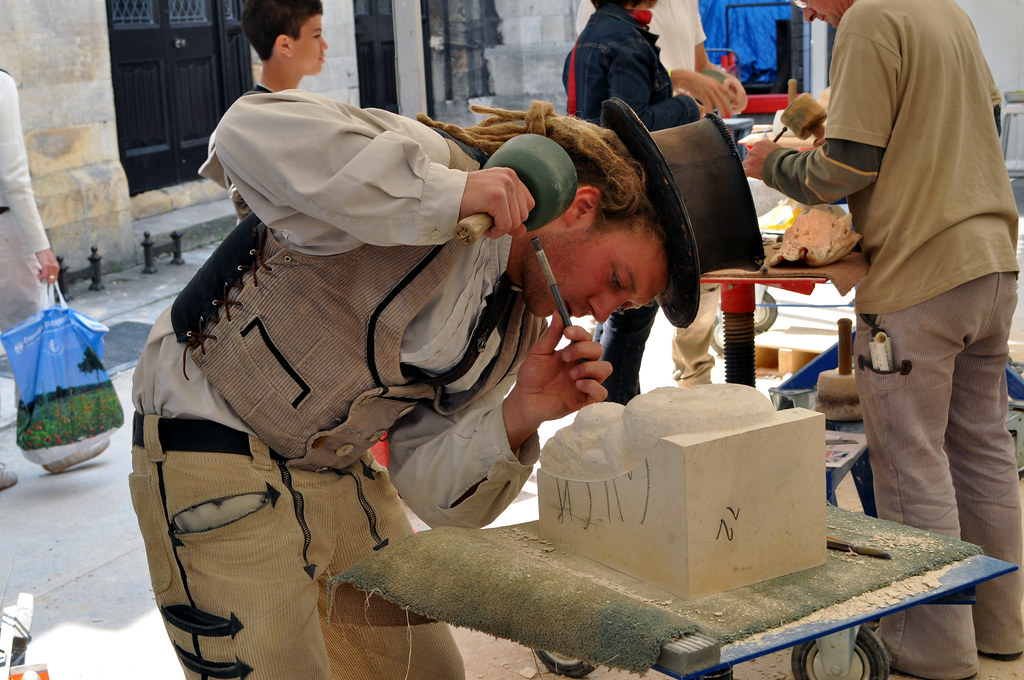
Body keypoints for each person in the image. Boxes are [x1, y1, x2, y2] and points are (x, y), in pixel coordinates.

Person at [129, 93, 701, 679]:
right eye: (615, 279)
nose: (601, 311)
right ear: (580, 207)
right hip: (210, 441)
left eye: (624, 304)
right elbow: (244, 132)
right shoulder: (437, 165)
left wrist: (523, 412)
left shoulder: (517, 326)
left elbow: (426, 486)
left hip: (335, 473)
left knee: (426, 672)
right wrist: (443, 196)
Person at [743, 0, 1024, 677]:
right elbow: (957, 128)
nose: (808, 14)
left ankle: (929, 648)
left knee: (911, 460)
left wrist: (771, 161)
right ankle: (1002, 625)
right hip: (990, 262)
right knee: (982, 448)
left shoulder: (869, 19)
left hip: (921, 276)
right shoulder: (944, 11)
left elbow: (845, 170)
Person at [565, 0, 745, 402]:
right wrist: (687, 106)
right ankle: (614, 417)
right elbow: (631, 122)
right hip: (630, 200)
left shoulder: (599, 35)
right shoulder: (625, 41)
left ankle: (607, 412)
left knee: (617, 314)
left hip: (609, 192)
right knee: (631, 313)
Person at [0, 69, 107, 484]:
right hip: (5, 233)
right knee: (30, 335)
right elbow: (12, 176)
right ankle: (53, 443)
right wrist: (41, 246)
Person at [203, 0, 328, 221]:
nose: (324, 45)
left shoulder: (300, 108)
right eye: (316, 35)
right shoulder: (247, 124)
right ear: (285, 45)